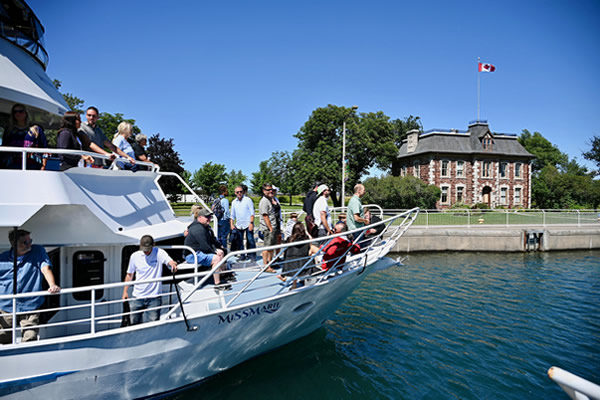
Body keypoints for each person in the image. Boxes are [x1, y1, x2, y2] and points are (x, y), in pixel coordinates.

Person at [0, 230, 60, 344]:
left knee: (30, 337)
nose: (29, 244)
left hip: (30, 304)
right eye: (25, 242)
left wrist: (52, 285)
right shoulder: (2, 259)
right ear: (13, 243)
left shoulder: (37, 251)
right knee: (3, 338)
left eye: (30, 241)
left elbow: (45, 268)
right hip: (5, 305)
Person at [122, 235, 177, 324]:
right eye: (144, 249)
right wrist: (125, 291)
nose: (146, 251)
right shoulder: (135, 256)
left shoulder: (159, 253)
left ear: (153, 245)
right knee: (133, 324)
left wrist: (172, 264)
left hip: (154, 298)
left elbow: (168, 260)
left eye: (148, 249)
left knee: (153, 325)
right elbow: (129, 274)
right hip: (137, 296)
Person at [184, 207, 229, 285]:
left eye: (210, 217)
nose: (209, 219)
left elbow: (212, 240)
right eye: (207, 217)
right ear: (200, 218)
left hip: (199, 252)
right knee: (216, 258)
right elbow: (204, 246)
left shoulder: (205, 227)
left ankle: (222, 275)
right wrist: (214, 251)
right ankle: (218, 283)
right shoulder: (198, 229)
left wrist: (219, 247)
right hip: (192, 254)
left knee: (221, 252)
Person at [1, 104, 49, 170]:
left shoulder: (36, 129)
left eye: (20, 111)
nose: (17, 113)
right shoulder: (9, 130)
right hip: (12, 166)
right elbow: (4, 149)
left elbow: (44, 149)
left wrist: (43, 166)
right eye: (15, 112)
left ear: (26, 113)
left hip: (33, 166)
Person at [229, 185, 256, 260]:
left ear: (243, 192)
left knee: (250, 240)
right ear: (235, 193)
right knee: (239, 241)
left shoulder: (248, 200)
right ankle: (242, 256)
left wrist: (251, 223)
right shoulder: (234, 202)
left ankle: (252, 256)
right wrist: (231, 224)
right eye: (237, 192)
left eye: (241, 191)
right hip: (239, 225)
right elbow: (232, 215)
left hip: (248, 223)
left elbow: (252, 213)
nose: (239, 193)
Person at [258, 183, 280, 269]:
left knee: (271, 247)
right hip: (268, 229)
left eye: (271, 189)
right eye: (268, 190)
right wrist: (270, 228)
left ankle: (269, 263)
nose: (270, 191)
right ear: (264, 191)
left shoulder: (270, 200)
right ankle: (266, 266)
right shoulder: (264, 201)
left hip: (273, 227)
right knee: (267, 247)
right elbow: (265, 216)